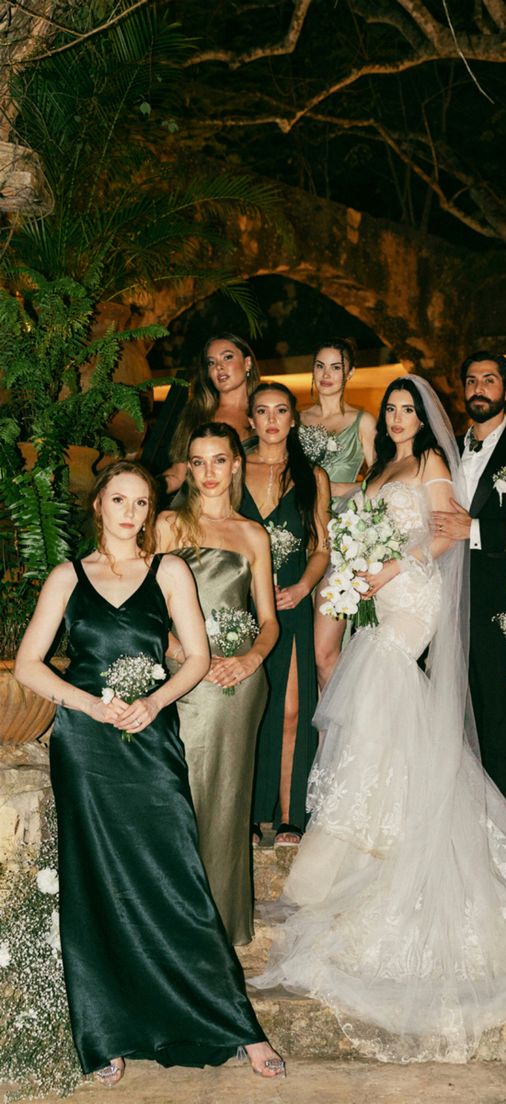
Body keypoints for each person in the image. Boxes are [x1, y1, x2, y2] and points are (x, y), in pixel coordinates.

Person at [249, 376, 506, 1062]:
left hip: (411, 593)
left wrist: (384, 570)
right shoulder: (380, 468)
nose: (401, 416)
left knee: (382, 683)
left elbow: (443, 538)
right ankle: (373, 833)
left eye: (409, 408)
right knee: (373, 700)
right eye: (393, 409)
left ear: (421, 418)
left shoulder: (432, 464)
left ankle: (403, 833)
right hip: (376, 587)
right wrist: (356, 571)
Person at [14, 461, 284, 1084]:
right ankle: (104, 1033)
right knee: (95, 882)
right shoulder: (67, 575)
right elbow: (30, 664)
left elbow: (196, 658)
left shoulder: (170, 570)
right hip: (85, 744)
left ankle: (235, 1026)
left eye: (141, 502)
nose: (130, 512)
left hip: (151, 734)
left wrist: (153, 702)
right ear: (99, 507)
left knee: (179, 876)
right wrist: (88, 705)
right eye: (119, 500)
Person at [155, 423, 279, 945]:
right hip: (180, 678)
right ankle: (171, 921)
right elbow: (147, 604)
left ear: (235, 466)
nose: (209, 472)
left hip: (236, 682)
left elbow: (268, 620)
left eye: (219, 461)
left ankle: (218, 925)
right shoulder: (166, 525)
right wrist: (175, 648)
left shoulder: (253, 534)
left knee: (227, 800)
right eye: (199, 462)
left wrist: (250, 659)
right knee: (177, 795)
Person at [431, 351, 506, 806]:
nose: (479, 388)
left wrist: (471, 530)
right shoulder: (446, 448)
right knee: (452, 704)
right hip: (444, 596)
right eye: (471, 380)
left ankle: (497, 811)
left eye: (489, 380)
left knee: (496, 709)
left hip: (497, 591)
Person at [239, 382, 331, 846]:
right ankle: (251, 814)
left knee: (293, 709)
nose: (272, 419)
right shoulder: (233, 471)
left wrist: (302, 587)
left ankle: (293, 814)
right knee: (251, 711)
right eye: (262, 411)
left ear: (293, 419)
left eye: (280, 410)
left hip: (292, 605)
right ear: (250, 420)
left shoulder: (312, 475)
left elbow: (321, 547)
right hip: (242, 609)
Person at [300, 339, 377, 690]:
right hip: (301, 530)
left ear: (350, 372)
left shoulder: (364, 421)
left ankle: (335, 738)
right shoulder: (296, 420)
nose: (327, 374)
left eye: (335, 366)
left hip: (343, 537)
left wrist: (339, 488)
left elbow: (380, 484)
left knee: (326, 648)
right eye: (320, 365)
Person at [160, 333, 261, 498]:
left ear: (247, 363)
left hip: (251, 508)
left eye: (227, 357)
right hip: (197, 509)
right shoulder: (196, 414)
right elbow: (178, 473)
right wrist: (146, 488)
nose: (219, 367)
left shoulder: (265, 414)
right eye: (211, 363)